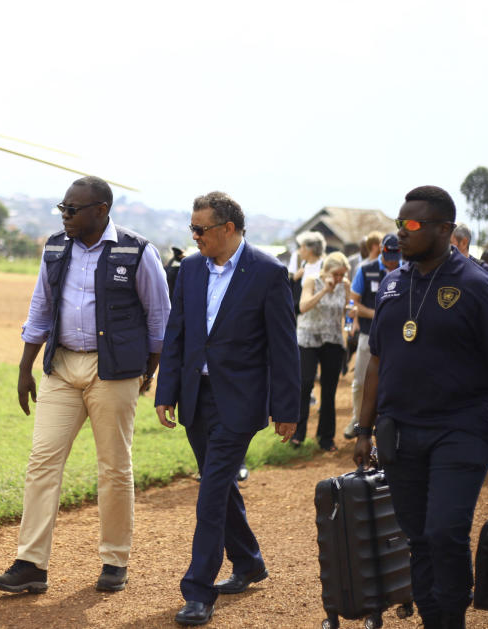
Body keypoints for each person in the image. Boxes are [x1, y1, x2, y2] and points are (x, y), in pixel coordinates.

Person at [353, 185, 488, 629]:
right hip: (400, 430)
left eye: (412, 225)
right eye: (399, 224)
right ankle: (434, 618)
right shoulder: (394, 283)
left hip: (462, 427)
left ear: (445, 229)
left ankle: (450, 619)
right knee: (418, 537)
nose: (402, 234)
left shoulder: (477, 286)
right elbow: (377, 360)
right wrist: (363, 428)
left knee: (444, 532)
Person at [0, 176, 170, 595]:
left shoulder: (137, 251)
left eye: (73, 209)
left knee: (113, 467)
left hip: (115, 372)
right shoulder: (55, 246)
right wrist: (24, 367)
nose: (65, 216)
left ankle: (114, 560)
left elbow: (159, 317)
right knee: (42, 462)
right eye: (62, 209)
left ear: (101, 210)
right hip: (62, 367)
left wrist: (149, 371)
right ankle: (31, 563)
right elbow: (40, 306)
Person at [155, 191, 298, 626]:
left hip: (240, 401)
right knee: (221, 488)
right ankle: (250, 561)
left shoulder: (269, 273)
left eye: (200, 230)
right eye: (191, 228)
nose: (193, 236)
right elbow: (176, 332)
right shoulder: (192, 268)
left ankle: (198, 591)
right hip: (196, 398)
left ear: (228, 229)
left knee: (212, 490)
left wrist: (287, 408)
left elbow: (283, 346)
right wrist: (166, 391)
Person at [344, 233, 402, 439]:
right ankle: (357, 420)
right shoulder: (366, 270)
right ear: (382, 251)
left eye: (397, 256)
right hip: (369, 335)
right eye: (389, 255)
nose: (393, 260)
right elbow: (353, 302)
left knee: (395, 382)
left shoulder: (407, 270)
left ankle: (393, 424)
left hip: (399, 339)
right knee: (360, 380)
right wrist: (374, 314)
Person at [292, 252, 350, 451]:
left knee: (329, 389)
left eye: (342, 275)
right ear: (326, 270)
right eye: (336, 274)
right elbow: (303, 306)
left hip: (332, 339)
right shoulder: (311, 281)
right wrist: (325, 290)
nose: (339, 279)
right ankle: (297, 434)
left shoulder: (345, 285)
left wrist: (351, 323)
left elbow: (347, 311)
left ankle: (326, 437)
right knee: (305, 383)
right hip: (308, 338)